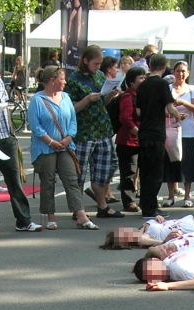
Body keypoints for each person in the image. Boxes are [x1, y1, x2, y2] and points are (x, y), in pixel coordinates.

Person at [0, 44, 41, 235]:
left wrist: (11, 132)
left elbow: (4, 108)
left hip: (5, 136)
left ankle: (23, 219)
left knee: (15, 180)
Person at [27, 65, 98, 232]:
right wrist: (51, 141)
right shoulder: (37, 100)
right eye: (62, 78)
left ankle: (80, 215)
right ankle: (50, 215)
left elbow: (73, 120)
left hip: (65, 146)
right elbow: (35, 127)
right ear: (52, 81)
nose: (65, 82)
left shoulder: (65, 97)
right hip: (45, 148)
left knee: (71, 179)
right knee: (48, 181)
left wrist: (68, 138)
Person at [65, 45, 124, 220]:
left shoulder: (99, 76)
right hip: (84, 132)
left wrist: (110, 95)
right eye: (95, 63)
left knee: (102, 171)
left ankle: (103, 206)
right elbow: (70, 109)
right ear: (85, 61)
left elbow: (102, 104)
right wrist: (86, 99)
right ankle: (78, 210)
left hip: (102, 129)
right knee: (79, 173)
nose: (98, 67)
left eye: (100, 64)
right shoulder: (74, 80)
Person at [137, 54, 181, 217]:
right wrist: (177, 116)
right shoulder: (162, 84)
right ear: (164, 67)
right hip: (156, 133)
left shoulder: (142, 85)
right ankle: (150, 208)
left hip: (143, 132)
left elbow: (138, 111)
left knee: (145, 172)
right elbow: (170, 108)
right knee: (156, 173)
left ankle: (148, 203)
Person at [167, 60, 194, 207]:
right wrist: (174, 112)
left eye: (183, 71)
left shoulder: (192, 89)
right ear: (173, 72)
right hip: (171, 130)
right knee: (170, 164)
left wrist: (183, 102)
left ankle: (187, 196)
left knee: (188, 164)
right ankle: (170, 196)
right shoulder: (168, 88)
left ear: (188, 73)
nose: (180, 74)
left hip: (188, 131)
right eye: (178, 71)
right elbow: (163, 107)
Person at [115, 66, 145, 213]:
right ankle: (129, 201)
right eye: (141, 77)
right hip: (128, 141)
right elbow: (125, 119)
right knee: (129, 172)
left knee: (143, 170)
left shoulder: (142, 95)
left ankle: (144, 198)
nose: (144, 80)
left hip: (141, 140)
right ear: (132, 82)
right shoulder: (128, 96)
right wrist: (138, 133)